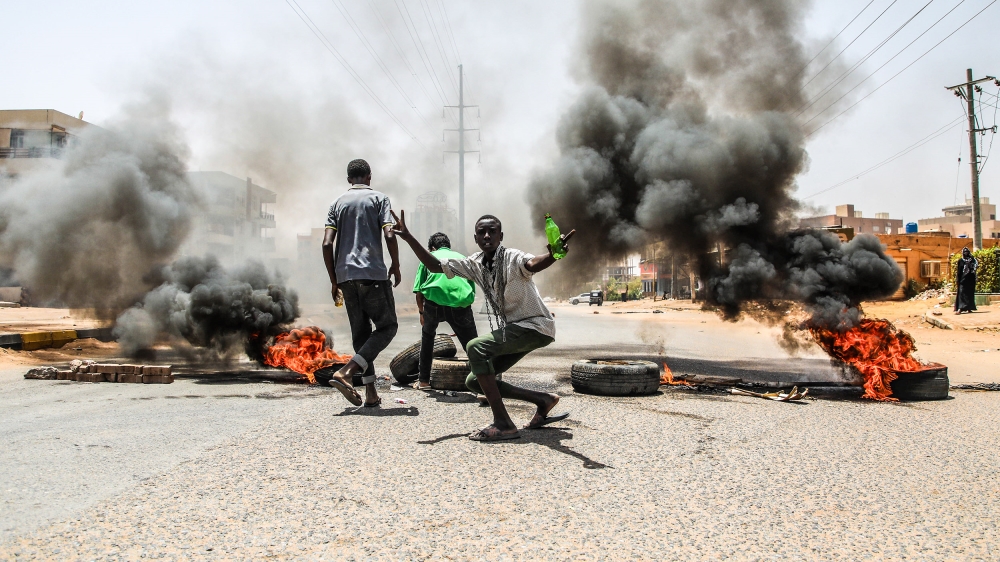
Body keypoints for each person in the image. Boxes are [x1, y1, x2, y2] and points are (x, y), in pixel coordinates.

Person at [393, 210, 575, 442]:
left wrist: (552, 256)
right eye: (482, 232)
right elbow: (435, 265)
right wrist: (408, 237)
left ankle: (504, 423)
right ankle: (542, 400)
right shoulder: (475, 264)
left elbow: (532, 263)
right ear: (476, 238)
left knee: (475, 347)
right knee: (473, 381)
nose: (487, 235)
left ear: (501, 236)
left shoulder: (512, 257)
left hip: (535, 326)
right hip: (516, 330)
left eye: (492, 231)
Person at [322, 158, 401, 407]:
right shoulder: (379, 199)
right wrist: (396, 265)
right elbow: (389, 233)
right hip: (373, 274)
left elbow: (326, 243)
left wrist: (334, 280)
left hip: (345, 277)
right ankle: (346, 372)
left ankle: (371, 394)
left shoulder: (336, 203)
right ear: (369, 176)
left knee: (361, 333)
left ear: (349, 180)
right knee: (387, 327)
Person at [412, 232, 479, 390]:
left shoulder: (428, 257)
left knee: (428, 339)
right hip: (460, 305)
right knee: (472, 345)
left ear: (432, 248)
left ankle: (423, 381)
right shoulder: (462, 257)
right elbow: (470, 287)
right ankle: (482, 384)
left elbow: (419, 292)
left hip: (433, 303)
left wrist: (422, 313)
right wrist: (458, 322)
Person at [954, 247, 978, 314]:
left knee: (970, 294)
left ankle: (969, 308)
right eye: (964, 252)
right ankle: (960, 308)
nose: (966, 253)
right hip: (963, 280)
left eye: (967, 252)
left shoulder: (973, 260)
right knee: (961, 293)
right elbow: (959, 272)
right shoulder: (960, 261)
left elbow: (975, 268)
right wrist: (957, 280)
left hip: (971, 280)